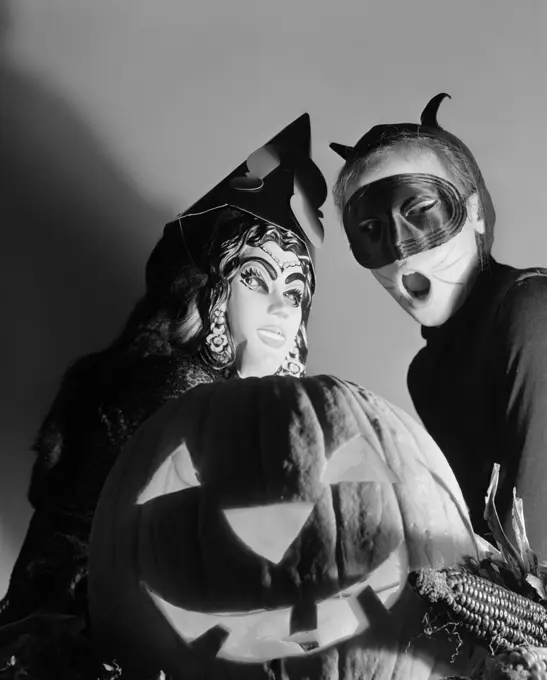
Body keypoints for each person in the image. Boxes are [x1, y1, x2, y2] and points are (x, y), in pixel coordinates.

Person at [0, 111, 327, 649]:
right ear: (208, 290)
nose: (279, 308)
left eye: (294, 292)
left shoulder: (244, 406)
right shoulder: (177, 396)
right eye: (254, 277)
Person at [329, 93, 547, 556]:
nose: (402, 250)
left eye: (420, 210)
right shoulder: (427, 374)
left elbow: (533, 550)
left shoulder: (532, 310)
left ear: (476, 215)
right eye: (370, 231)